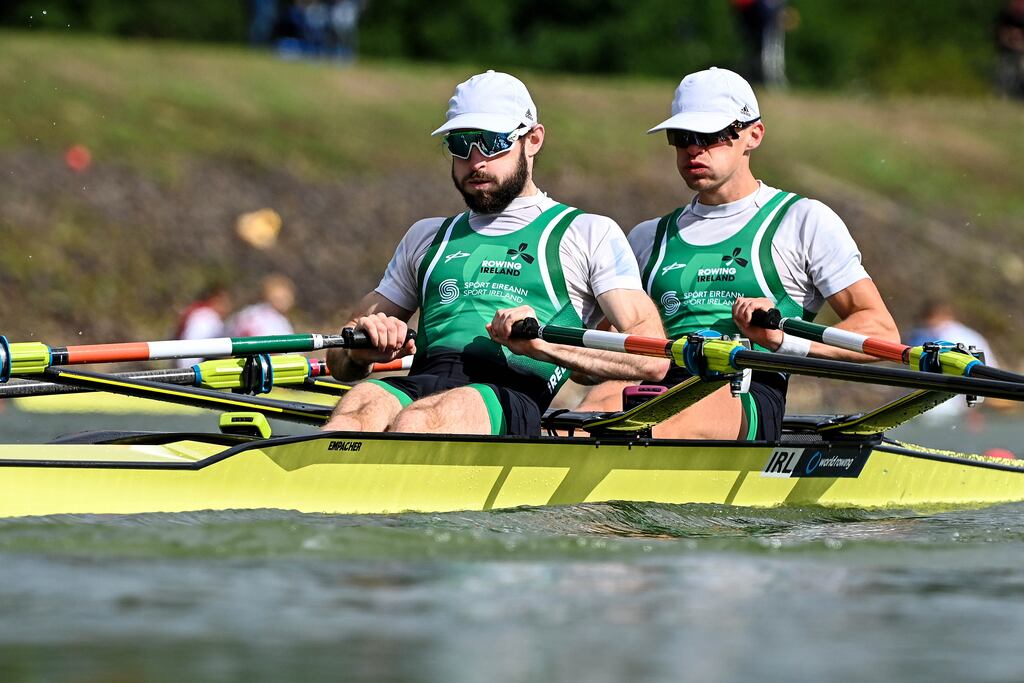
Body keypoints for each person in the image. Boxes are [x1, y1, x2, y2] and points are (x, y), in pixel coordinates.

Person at [323, 71, 668, 436]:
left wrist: (545, 346)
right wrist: (358, 353)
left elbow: (653, 359)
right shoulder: (426, 236)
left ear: (533, 140)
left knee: (419, 422)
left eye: (492, 142)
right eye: (461, 144)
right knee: (356, 413)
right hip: (423, 380)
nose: (476, 162)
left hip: (509, 393)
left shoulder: (587, 233)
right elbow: (338, 357)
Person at [577, 67, 899, 440]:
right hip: (656, 381)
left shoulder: (803, 221)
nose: (693, 148)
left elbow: (882, 332)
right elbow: (593, 361)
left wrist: (782, 339)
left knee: (657, 423)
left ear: (753, 135)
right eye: (682, 137)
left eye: (710, 135)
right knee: (586, 414)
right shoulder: (647, 237)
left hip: (744, 390)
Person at [907, 301, 998, 422]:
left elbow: (985, 374)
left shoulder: (964, 337)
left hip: (952, 412)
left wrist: (973, 410)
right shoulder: (919, 335)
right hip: (922, 409)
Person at [173, 285, 233, 368]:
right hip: (193, 369)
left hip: (185, 364)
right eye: (224, 301)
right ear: (215, 299)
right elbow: (191, 346)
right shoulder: (207, 317)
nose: (227, 305)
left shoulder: (197, 313)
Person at [227, 274, 297, 337]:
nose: (283, 302)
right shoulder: (258, 317)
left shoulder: (280, 320)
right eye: (278, 298)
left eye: (285, 297)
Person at [995, 0, 1024, 99]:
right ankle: (1004, 94)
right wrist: (1011, 43)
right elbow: (1001, 34)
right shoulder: (1006, 15)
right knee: (1006, 70)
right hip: (1007, 49)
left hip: (1019, 50)